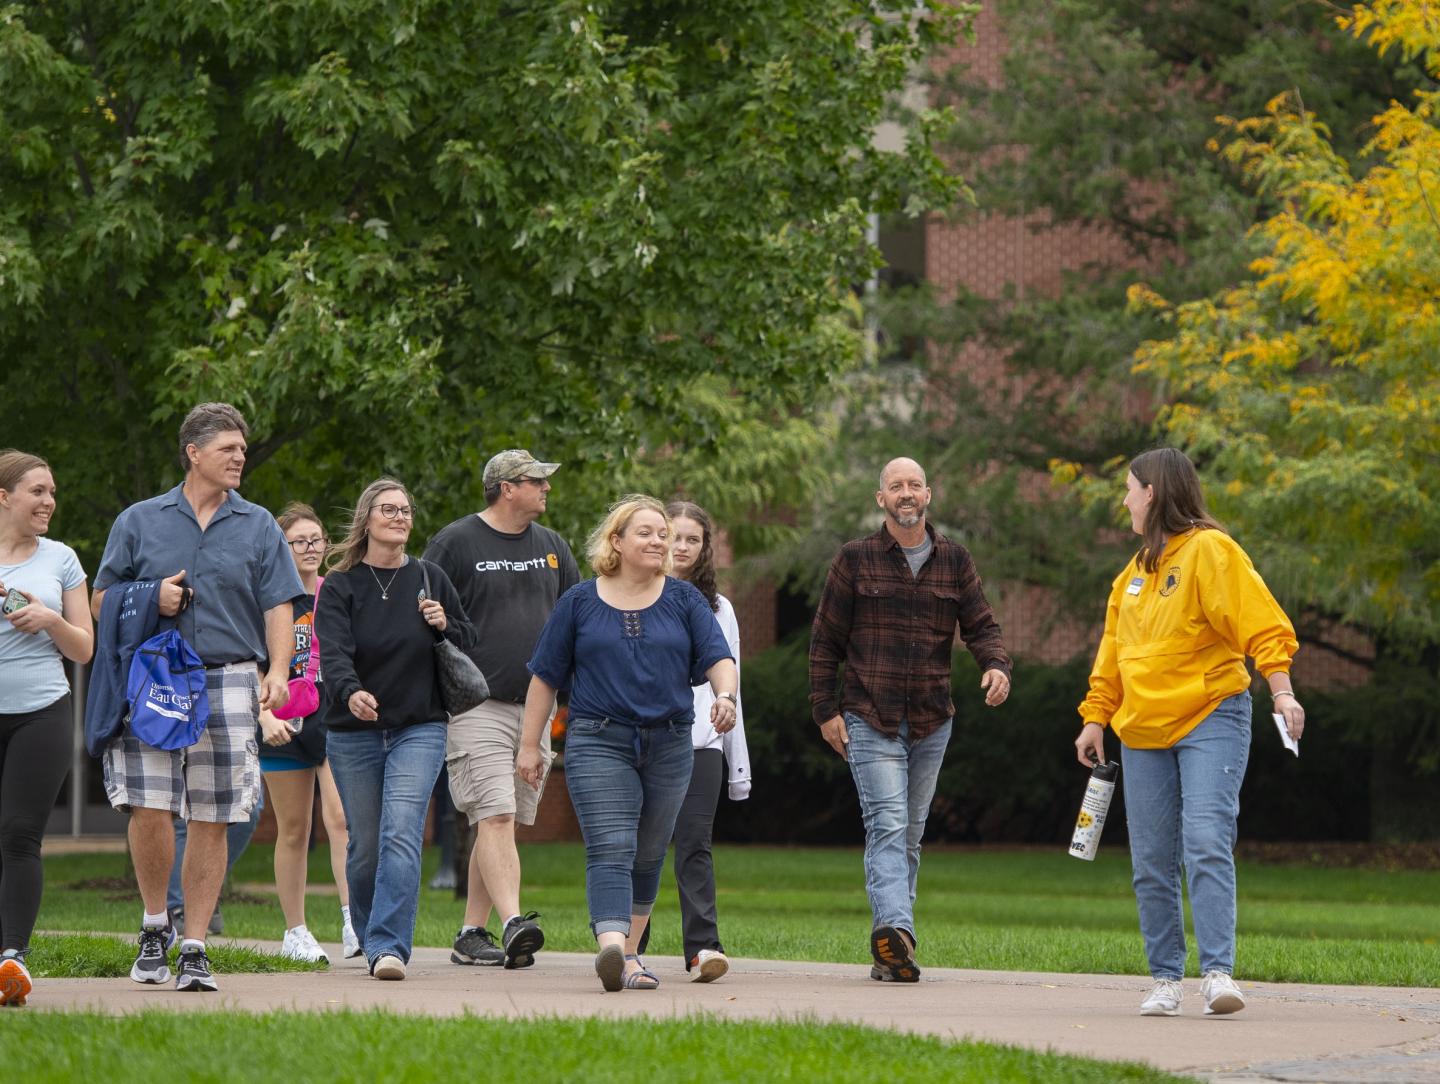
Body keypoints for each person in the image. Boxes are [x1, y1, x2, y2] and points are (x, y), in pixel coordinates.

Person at [1074, 447, 1303, 1018]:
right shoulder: (1131, 574)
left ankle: (1219, 973)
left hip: (1211, 717)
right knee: (1151, 859)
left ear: (1151, 492)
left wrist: (1281, 690)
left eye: (1128, 488)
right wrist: (1095, 716)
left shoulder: (1210, 550)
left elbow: (1261, 622)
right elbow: (1113, 652)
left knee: (1204, 840)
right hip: (1142, 729)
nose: (1124, 500)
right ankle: (1166, 979)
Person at [91, 403, 304, 993]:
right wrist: (150, 595)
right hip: (155, 677)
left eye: (242, 448)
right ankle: (155, 924)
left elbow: (278, 604)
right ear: (193, 453)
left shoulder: (259, 524)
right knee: (150, 803)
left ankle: (195, 945)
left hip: (230, 676)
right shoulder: (139, 520)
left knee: (214, 812)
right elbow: (100, 602)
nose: (241, 457)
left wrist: (279, 669)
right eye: (229, 448)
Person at [517, 496, 737, 992]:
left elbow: (719, 658)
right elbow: (544, 679)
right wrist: (530, 746)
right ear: (615, 541)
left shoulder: (685, 601)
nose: (660, 540)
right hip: (599, 739)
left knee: (650, 851)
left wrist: (726, 695)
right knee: (611, 845)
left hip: (672, 740)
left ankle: (631, 955)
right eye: (647, 532)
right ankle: (612, 946)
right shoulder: (579, 601)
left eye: (663, 532)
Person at [809, 457, 1012, 983]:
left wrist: (995, 666)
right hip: (868, 714)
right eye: (895, 486)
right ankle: (898, 930)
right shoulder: (853, 560)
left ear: (929, 495)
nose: (906, 493)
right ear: (881, 499)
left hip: (931, 718)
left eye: (914, 485)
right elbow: (824, 642)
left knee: (910, 835)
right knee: (888, 826)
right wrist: (825, 711)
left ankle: (891, 953)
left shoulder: (955, 561)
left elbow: (982, 625)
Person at [424, 450, 579, 969]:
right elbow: (421, 613)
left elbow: (576, 617)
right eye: (538, 481)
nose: (547, 489)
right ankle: (515, 922)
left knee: (502, 824)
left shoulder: (553, 547)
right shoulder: (456, 542)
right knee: (495, 814)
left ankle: (472, 932)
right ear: (507, 487)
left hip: (535, 710)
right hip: (475, 705)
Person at [316, 479, 475, 981]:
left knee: (402, 833)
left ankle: (388, 946)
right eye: (389, 509)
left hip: (419, 727)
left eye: (406, 510)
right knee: (365, 846)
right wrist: (351, 692)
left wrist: (443, 622)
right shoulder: (341, 585)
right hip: (353, 730)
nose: (400, 517)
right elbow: (333, 653)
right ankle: (369, 936)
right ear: (367, 519)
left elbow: (470, 640)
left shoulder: (429, 578)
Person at [634, 500, 750, 982]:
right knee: (639, 846)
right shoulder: (630, 596)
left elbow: (730, 682)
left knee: (694, 844)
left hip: (702, 743)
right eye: (673, 536)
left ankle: (703, 948)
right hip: (640, 739)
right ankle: (624, 944)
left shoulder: (719, 609)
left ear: (704, 549)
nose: (679, 547)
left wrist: (736, 764)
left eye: (691, 540)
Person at [0, 451, 94, 1007]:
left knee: (18, 835)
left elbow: (84, 648)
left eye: (52, 492)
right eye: (37, 491)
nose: (49, 502)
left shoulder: (61, 559)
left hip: (42, 711)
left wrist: (50, 619)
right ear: (5, 497)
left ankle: (12, 959)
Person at [255, 503, 357, 963]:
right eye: (300, 541)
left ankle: (355, 920)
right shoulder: (269, 600)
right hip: (282, 718)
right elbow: (253, 660)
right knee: (294, 829)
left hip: (333, 716)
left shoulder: (336, 593)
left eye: (317, 539)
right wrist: (264, 715)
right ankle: (295, 931)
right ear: (282, 547)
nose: (312, 548)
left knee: (341, 819)